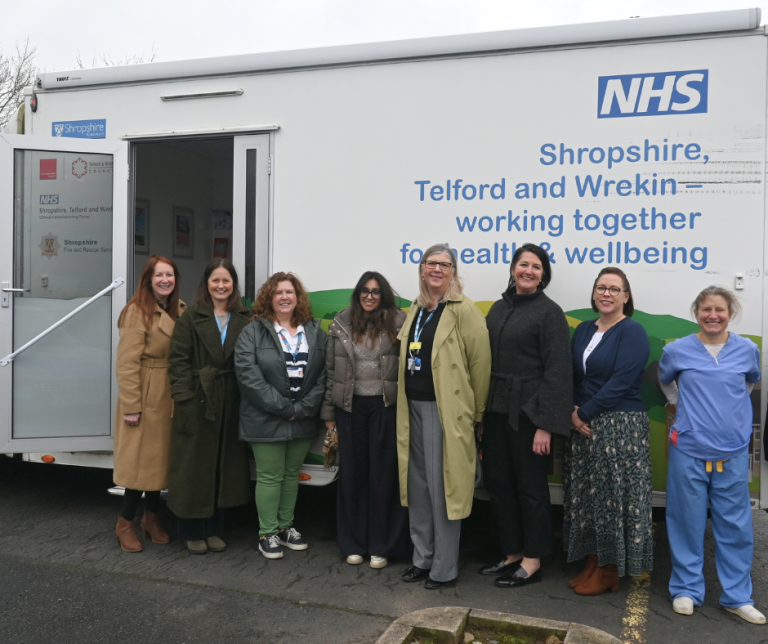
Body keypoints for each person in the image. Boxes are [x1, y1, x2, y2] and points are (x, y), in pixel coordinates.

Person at [659, 286, 765, 624]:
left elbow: (748, 385)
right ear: (697, 312)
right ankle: (686, 590)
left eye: (720, 309)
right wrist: (683, 406)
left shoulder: (748, 350)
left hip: (731, 452)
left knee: (735, 526)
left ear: (730, 313)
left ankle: (736, 596)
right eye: (706, 309)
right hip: (688, 449)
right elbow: (667, 384)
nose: (713, 315)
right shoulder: (676, 351)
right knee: (685, 521)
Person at [397, 244, 491, 589]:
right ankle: (421, 559)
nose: (437, 269)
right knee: (418, 488)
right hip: (412, 409)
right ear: (422, 269)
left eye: (444, 264)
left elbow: (480, 366)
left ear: (454, 272)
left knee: (444, 491)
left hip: (445, 412)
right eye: (431, 263)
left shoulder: (464, 310)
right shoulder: (416, 308)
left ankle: (443, 568)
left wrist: (477, 414)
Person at [480, 243, 572, 588]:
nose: (528, 271)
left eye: (536, 266)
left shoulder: (550, 313)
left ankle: (533, 559)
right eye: (523, 265)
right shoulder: (498, 308)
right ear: (513, 268)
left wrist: (546, 425)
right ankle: (512, 551)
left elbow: (558, 371)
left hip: (530, 415)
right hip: (496, 411)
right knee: (499, 484)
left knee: (531, 488)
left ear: (543, 275)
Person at [564, 267, 653, 595]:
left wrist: (582, 413)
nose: (607, 293)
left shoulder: (633, 331)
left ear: (626, 297)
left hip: (619, 426)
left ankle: (609, 569)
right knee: (589, 498)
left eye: (615, 289)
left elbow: (623, 381)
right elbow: (573, 375)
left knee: (614, 499)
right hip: (585, 424)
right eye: (601, 287)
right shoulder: (585, 329)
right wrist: (573, 410)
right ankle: (592, 562)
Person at [235, 272, 327, 560]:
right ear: (269, 298)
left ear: (298, 298)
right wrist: (285, 408)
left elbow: (325, 375)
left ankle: (286, 527)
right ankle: (267, 533)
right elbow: (248, 377)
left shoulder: (314, 331)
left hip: (302, 417)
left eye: (290, 292)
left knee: (290, 476)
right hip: (266, 418)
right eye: (278, 293)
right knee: (270, 476)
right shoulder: (253, 331)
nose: (285, 297)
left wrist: (302, 408)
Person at [321, 271, 409, 569]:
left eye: (375, 291)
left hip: (386, 408)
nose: (369, 296)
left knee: (383, 478)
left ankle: (382, 546)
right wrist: (329, 415)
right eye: (364, 291)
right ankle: (354, 544)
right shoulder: (342, 323)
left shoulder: (400, 322)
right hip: (350, 409)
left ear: (383, 294)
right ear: (357, 294)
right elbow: (331, 372)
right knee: (353, 477)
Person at [167, 259, 252, 555]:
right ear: (207, 284)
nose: (221, 286)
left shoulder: (245, 316)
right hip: (198, 400)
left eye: (226, 281)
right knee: (194, 467)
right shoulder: (191, 318)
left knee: (224, 465)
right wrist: (184, 397)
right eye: (215, 280)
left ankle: (216, 528)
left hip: (231, 400)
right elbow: (177, 361)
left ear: (233, 285)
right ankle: (192, 530)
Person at [114, 256, 185, 552]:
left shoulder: (179, 309)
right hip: (145, 393)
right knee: (139, 463)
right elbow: (127, 364)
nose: (165, 280)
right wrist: (132, 406)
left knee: (160, 462)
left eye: (169, 274)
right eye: (159, 275)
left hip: (170, 392)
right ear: (148, 279)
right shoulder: (136, 311)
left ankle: (151, 518)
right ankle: (125, 523)